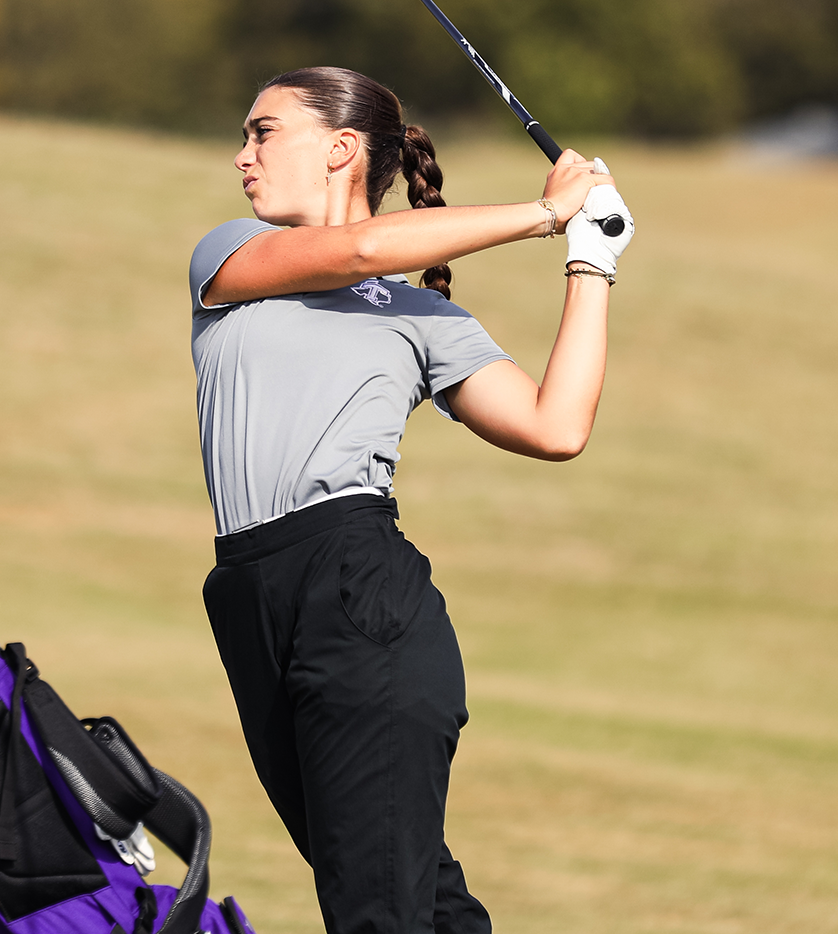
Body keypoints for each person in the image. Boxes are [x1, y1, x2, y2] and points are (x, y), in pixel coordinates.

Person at [189, 67, 634, 934]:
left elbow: (555, 425)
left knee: (379, 906)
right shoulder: (231, 253)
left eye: (263, 132)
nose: (242, 155)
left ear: (341, 148)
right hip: (249, 599)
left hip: (357, 593)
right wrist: (542, 213)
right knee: (411, 897)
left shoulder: (419, 314)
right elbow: (356, 252)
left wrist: (590, 258)